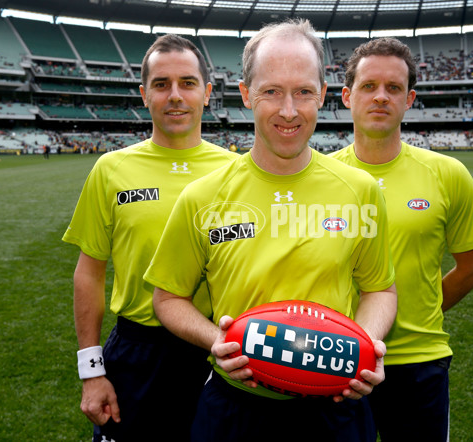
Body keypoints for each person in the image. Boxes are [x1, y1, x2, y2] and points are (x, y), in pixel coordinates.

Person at [143, 19, 398, 442]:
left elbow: (380, 289)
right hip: (233, 408)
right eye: (271, 91)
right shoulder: (202, 196)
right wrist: (215, 339)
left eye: (303, 92)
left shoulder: (360, 191)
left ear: (323, 96)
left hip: (336, 408)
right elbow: (168, 298)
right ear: (245, 94)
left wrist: (365, 346)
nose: (288, 111)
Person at [62, 34, 238, 441]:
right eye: (161, 84)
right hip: (137, 352)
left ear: (207, 93)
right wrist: (91, 373)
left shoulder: (238, 172)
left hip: (218, 349)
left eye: (188, 83)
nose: (175, 95)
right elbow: (89, 274)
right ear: (144, 95)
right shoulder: (111, 170)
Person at [330, 37, 473, 441]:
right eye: (369, 86)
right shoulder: (321, 177)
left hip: (421, 361)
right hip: (338, 361)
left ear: (410, 99)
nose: (380, 97)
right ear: (347, 96)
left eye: (393, 88)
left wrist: (421, 314)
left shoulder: (448, 173)